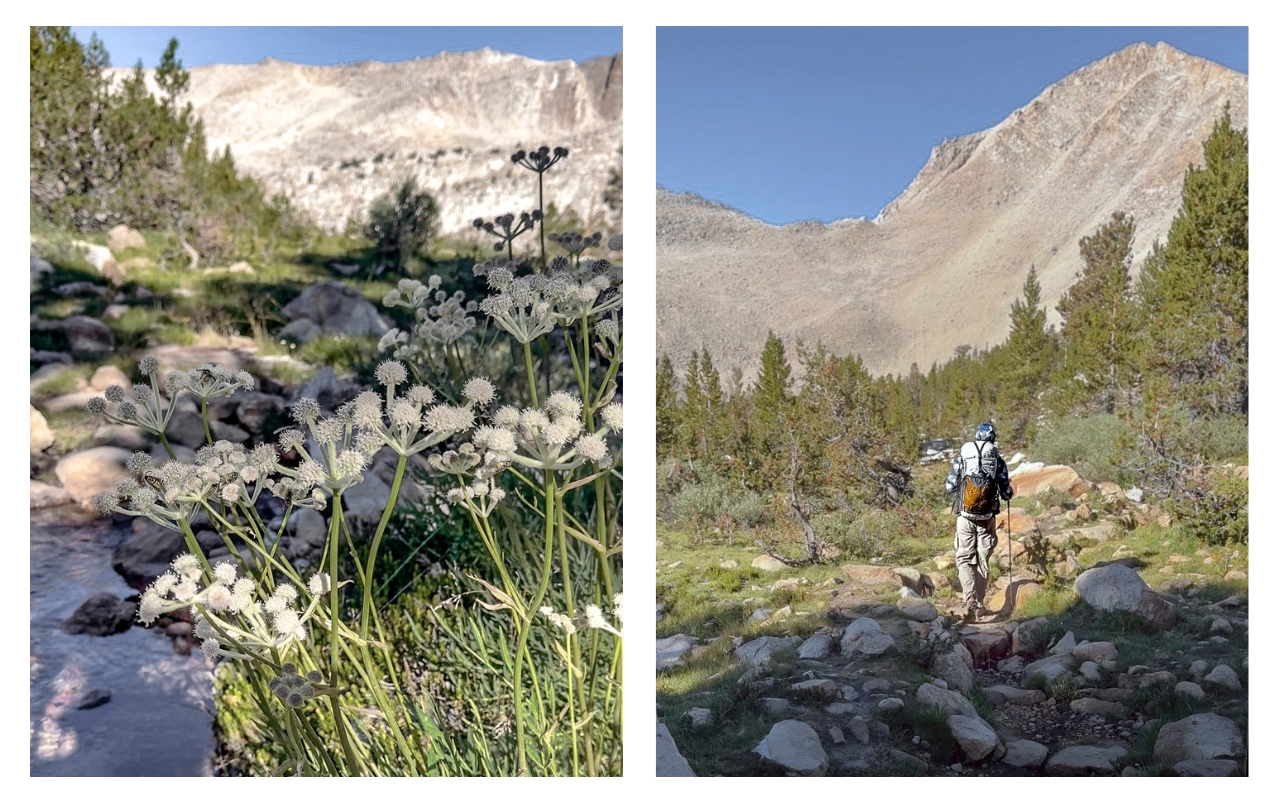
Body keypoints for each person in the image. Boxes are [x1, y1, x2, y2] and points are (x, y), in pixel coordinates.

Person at [943, 421, 1013, 622]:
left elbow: (949, 486)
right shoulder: (997, 459)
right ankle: (979, 605)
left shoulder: (963, 456)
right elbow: (1006, 492)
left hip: (965, 516)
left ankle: (970, 599)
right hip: (986, 517)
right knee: (982, 559)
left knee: (964, 558)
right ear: (992, 438)